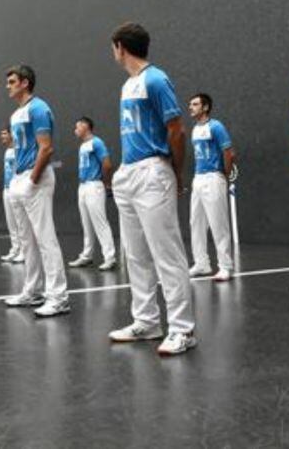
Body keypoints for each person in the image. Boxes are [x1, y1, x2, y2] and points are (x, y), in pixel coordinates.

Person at [108, 22, 197, 356]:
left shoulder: (156, 79)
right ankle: (146, 321)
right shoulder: (128, 85)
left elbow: (176, 130)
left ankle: (182, 329)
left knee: (167, 253)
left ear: (120, 47)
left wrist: (174, 172)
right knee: (136, 254)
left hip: (153, 171)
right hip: (129, 174)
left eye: (113, 47)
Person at [3, 65, 70, 317]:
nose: (7, 86)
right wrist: (19, 181)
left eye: (12, 81)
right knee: (27, 241)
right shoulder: (16, 114)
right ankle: (32, 290)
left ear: (25, 83)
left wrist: (32, 180)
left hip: (36, 179)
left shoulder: (39, 108)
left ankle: (59, 296)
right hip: (20, 180)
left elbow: (46, 148)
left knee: (45, 239)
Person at [187, 93, 236, 281]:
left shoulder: (216, 126)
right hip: (198, 178)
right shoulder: (194, 129)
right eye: (190, 104)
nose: (190, 107)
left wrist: (224, 173)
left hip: (214, 178)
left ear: (205, 107)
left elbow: (229, 152)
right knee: (196, 222)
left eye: (195, 104)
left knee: (218, 223)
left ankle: (225, 266)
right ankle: (201, 263)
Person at [69, 116, 118, 271]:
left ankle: (110, 258)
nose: (75, 130)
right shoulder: (83, 146)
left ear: (86, 126)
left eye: (77, 127)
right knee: (86, 223)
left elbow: (107, 164)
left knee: (100, 223)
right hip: (82, 187)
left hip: (94, 185)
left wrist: (106, 183)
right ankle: (87, 255)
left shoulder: (97, 142)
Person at [0, 127, 23, 264]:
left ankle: (24, 251)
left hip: (16, 188)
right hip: (6, 189)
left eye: (4, 133)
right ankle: (15, 249)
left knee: (20, 222)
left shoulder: (18, 150)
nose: (2, 136)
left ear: (11, 135)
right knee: (11, 223)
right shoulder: (7, 151)